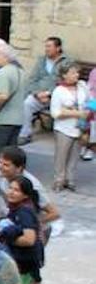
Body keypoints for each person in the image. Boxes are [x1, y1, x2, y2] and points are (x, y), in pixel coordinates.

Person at [49, 60, 84, 190]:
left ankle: (70, 180)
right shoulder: (59, 91)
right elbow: (55, 113)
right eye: (73, 73)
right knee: (61, 156)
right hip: (64, 128)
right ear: (64, 75)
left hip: (79, 127)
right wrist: (74, 113)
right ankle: (59, 180)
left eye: (77, 72)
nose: (77, 75)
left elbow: (87, 102)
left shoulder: (82, 86)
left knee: (74, 155)